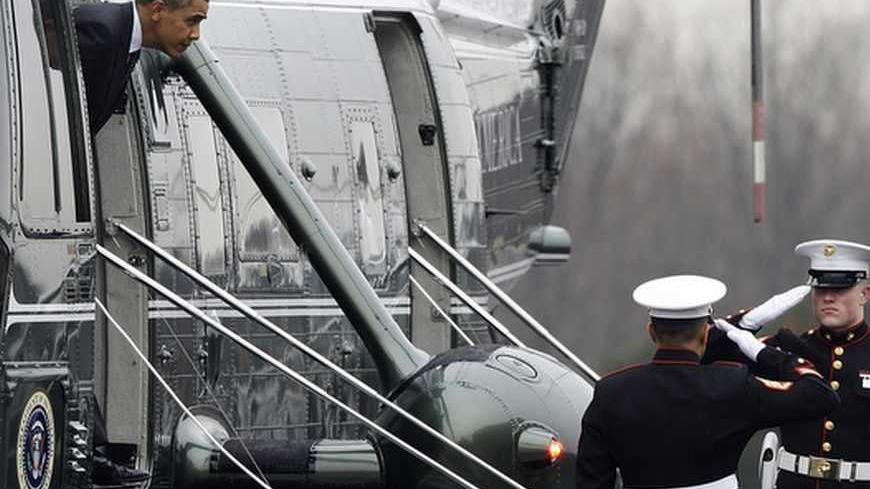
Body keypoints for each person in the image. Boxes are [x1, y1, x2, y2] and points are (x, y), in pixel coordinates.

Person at [576, 275, 839, 489]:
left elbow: (592, 481)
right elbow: (820, 395)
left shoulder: (611, 392)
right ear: (705, 332)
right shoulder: (732, 385)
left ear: (651, 332)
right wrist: (764, 353)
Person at [707, 239, 870, 489]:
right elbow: (708, 359)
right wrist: (745, 323)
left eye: (839, 289)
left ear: (864, 294)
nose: (828, 297)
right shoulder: (787, 347)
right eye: (820, 288)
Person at [74, 0, 209, 133]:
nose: (196, 35)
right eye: (191, 21)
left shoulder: (126, 40)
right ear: (157, 10)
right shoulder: (100, 34)